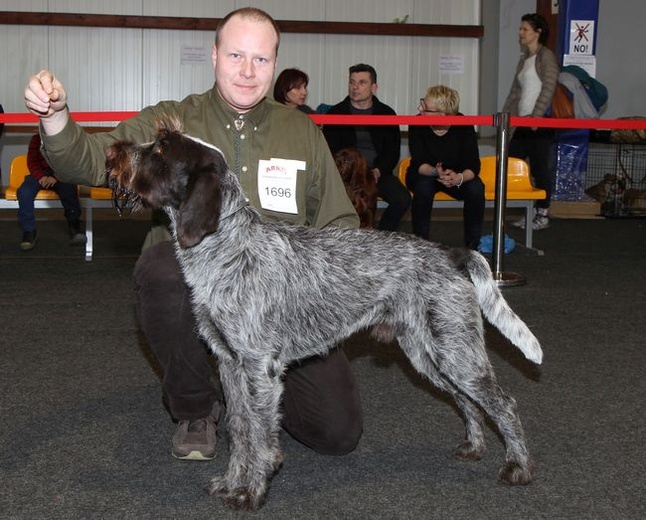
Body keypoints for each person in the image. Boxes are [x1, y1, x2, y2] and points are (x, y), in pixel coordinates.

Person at [24, 7, 363, 461]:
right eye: (236, 55)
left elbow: (339, 224)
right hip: (192, 280)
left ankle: (249, 385)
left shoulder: (301, 130)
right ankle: (195, 406)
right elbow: (90, 162)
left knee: (336, 434)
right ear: (214, 55)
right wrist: (56, 118)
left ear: (275, 65)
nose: (247, 71)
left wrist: (325, 300)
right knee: (162, 269)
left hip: (278, 303)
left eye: (261, 60)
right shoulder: (172, 121)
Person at [323, 64, 411, 232]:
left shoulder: (387, 113)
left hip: (377, 172)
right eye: (352, 82)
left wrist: (379, 170)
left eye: (362, 82)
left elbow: (392, 152)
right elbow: (330, 150)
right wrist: (347, 171)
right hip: (346, 174)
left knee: (402, 199)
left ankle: (381, 237)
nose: (355, 87)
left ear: (374, 87)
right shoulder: (336, 112)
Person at [407, 85, 484, 250]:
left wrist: (459, 178)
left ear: (443, 114)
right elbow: (418, 162)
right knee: (423, 186)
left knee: (476, 188)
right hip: (426, 173)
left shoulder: (463, 124)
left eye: (425, 108)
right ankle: (421, 246)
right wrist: (436, 172)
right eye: (422, 103)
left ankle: (473, 246)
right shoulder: (417, 122)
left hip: (456, 176)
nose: (419, 108)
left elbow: (473, 164)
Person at [502, 12, 559, 230]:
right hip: (523, 123)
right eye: (520, 28)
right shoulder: (524, 59)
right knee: (511, 164)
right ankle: (528, 210)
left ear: (538, 32)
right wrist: (504, 117)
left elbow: (549, 86)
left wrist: (537, 116)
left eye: (524, 29)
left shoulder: (547, 56)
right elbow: (515, 92)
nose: (520, 33)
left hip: (540, 123)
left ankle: (542, 213)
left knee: (539, 169)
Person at [18, 133, 86, 250]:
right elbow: (32, 161)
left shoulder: (65, 139)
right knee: (24, 192)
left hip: (60, 175)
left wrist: (56, 177)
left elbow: (69, 163)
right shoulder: (36, 139)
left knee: (69, 189)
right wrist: (41, 177)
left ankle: (74, 225)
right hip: (39, 176)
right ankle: (29, 231)